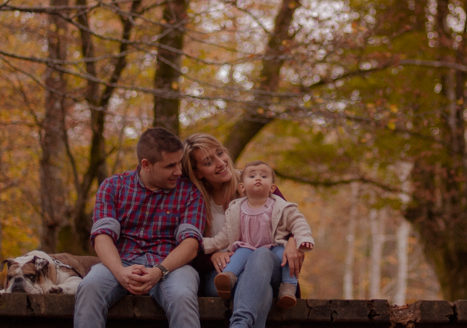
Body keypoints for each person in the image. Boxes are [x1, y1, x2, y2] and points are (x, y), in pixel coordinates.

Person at [75, 127, 206, 328]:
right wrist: (120, 272)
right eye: (170, 166)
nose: (179, 171)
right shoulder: (113, 186)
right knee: (90, 287)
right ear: (146, 165)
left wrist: (159, 271)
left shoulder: (190, 192)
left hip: (171, 267)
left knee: (182, 295)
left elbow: (191, 244)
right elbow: (102, 236)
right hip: (121, 262)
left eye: (179, 162)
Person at [181, 134, 304, 328]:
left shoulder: (256, 180)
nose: (220, 163)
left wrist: (293, 241)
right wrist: (211, 257)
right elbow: (186, 246)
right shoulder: (194, 199)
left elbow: (291, 220)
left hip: (270, 266)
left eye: (220, 153)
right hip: (224, 274)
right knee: (261, 290)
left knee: (261, 256)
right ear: (198, 173)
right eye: (208, 162)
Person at [204, 160, 314, 309]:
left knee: (286, 256)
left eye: (263, 176)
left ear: (272, 188)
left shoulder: (281, 207)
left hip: (274, 247)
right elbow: (224, 237)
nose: (258, 178)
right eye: (252, 176)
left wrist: (304, 239)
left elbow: (298, 222)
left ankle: (288, 288)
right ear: (242, 187)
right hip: (247, 247)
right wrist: (203, 244)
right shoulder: (236, 209)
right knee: (237, 255)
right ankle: (227, 278)